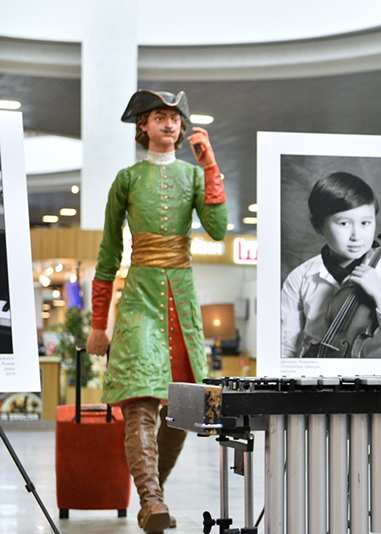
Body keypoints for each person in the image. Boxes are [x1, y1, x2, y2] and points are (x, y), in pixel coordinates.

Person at [86, 89, 227, 534]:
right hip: (140, 299)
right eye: (159, 117)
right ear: (142, 126)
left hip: (182, 299)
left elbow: (219, 230)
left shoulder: (191, 175)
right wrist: (97, 325)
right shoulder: (126, 179)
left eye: (176, 118)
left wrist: (209, 164)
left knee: (186, 407)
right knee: (141, 402)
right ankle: (150, 500)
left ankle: (153, 498)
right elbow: (108, 255)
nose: (170, 124)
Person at [281, 171, 381, 359]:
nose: (357, 236)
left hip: (375, 384)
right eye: (344, 223)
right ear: (317, 225)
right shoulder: (299, 278)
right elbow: (286, 349)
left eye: (365, 223)